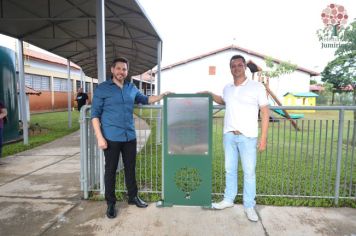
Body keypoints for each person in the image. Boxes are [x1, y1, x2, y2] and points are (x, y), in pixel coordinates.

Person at [91, 57, 170, 219]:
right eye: (119, 68)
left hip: (129, 136)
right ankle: (111, 203)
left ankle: (133, 197)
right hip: (111, 137)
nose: (121, 72)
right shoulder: (102, 89)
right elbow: (94, 115)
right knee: (111, 170)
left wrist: (162, 95)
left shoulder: (131, 88)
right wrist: (100, 137)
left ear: (127, 72)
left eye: (124, 69)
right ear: (112, 70)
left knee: (130, 168)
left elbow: (146, 99)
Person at [203, 55, 269, 222]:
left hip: (248, 137)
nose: (237, 68)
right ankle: (228, 200)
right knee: (229, 170)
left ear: (245, 66)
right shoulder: (228, 87)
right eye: (233, 66)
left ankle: (249, 206)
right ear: (230, 68)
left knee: (249, 173)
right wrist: (210, 94)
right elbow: (223, 100)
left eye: (240, 65)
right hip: (229, 136)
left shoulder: (257, 87)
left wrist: (264, 138)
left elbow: (266, 113)